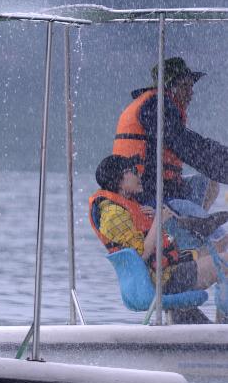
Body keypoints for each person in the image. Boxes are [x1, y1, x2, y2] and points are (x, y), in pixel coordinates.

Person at [88, 155, 228, 309]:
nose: (138, 174)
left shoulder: (127, 206)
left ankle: (211, 322)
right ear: (119, 179)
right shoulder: (113, 215)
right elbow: (141, 255)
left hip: (169, 267)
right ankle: (223, 322)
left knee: (220, 246)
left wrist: (155, 216)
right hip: (164, 279)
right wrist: (158, 220)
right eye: (133, 171)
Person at [113, 57, 228, 208]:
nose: (191, 93)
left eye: (191, 86)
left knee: (208, 185)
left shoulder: (155, 104)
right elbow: (187, 146)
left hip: (164, 188)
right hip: (147, 195)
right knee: (212, 229)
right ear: (169, 87)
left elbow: (189, 142)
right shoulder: (156, 106)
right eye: (185, 86)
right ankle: (191, 226)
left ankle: (190, 226)